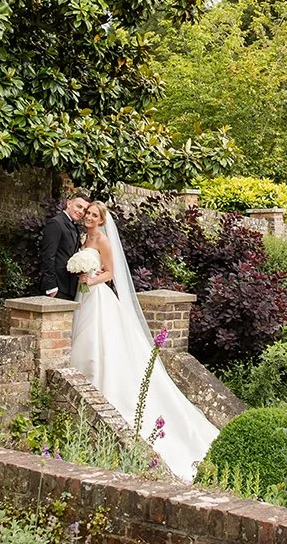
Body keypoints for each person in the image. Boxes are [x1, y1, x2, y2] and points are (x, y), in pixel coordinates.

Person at [68, 200, 219, 482]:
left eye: (94, 215)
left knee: (100, 342)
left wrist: (91, 280)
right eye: (87, 213)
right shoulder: (82, 238)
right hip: (82, 296)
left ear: (101, 220)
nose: (88, 217)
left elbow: (110, 273)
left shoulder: (102, 241)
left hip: (98, 297)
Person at [40, 193, 89, 300]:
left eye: (84, 210)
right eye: (79, 206)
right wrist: (51, 286)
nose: (81, 211)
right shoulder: (56, 223)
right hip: (57, 287)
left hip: (69, 286)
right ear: (69, 203)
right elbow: (48, 255)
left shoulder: (74, 227)